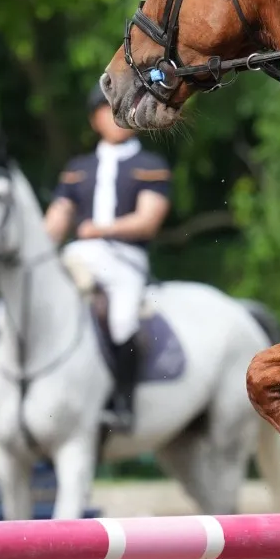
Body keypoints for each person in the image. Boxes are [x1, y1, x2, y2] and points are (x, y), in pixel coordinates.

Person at [44, 85, 174, 430]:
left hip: (124, 259)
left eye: (122, 109)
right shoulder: (77, 168)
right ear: (94, 119)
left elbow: (147, 221)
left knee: (123, 321)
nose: (115, 116)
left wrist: (101, 229)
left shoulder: (150, 165)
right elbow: (57, 218)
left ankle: (122, 402)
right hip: (79, 254)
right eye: (107, 109)